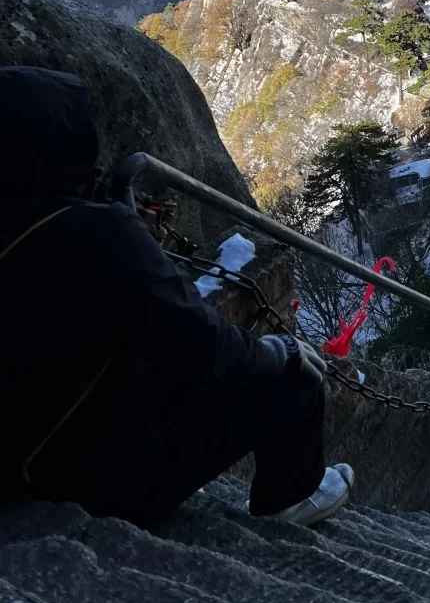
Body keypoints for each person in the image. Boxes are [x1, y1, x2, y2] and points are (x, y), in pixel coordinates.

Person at [0, 66, 354, 531]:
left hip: (23, 454)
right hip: (88, 481)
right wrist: (279, 351)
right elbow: (202, 341)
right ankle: (290, 498)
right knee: (297, 375)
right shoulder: (98, 233)